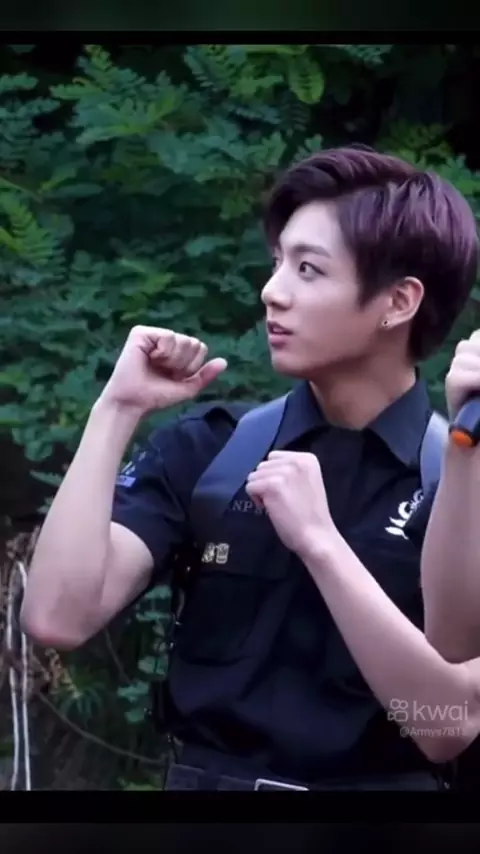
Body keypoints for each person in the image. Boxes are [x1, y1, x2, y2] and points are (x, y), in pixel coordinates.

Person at [21, 145, 480, 791]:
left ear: (398, 301)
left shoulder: (458, 481)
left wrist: (320, 543)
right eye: (277, 263)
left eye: (308, 269)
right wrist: (116, 409)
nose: (272, 291)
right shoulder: (213, 451)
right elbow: (56, 618)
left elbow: (448, 724)